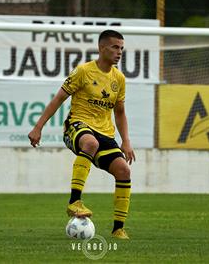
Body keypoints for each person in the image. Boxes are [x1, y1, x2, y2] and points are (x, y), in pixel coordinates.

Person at [28, 30, 135, 239]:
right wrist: (38, 127)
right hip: (77, 126)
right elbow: (58, 99)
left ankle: (118, 229)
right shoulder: (83, 71)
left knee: (124, 171)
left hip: (105, 132)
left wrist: (126, 141)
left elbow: (120, 112)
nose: (119, 52)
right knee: (90, 143)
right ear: (101, 48)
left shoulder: (119, 79)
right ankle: (74, 202)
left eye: (121, 48)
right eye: (114, 47)